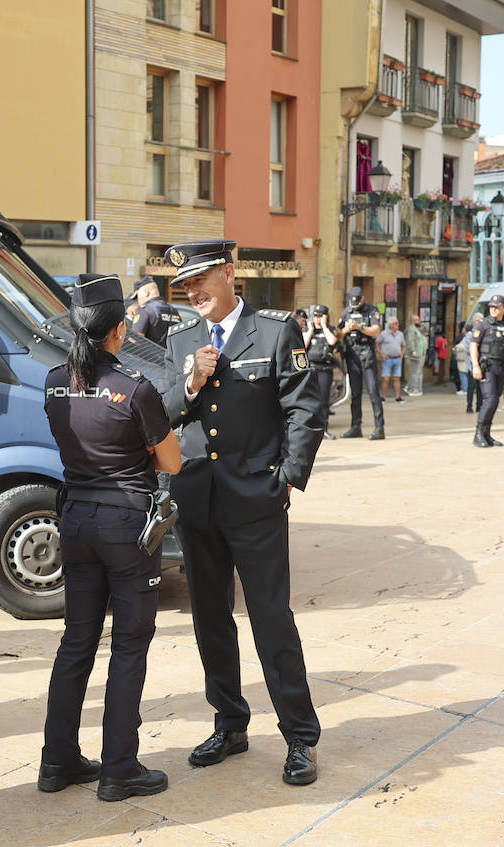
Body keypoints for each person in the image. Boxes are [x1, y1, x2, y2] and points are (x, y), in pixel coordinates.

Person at [158, 239, 326, 786]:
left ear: (229, 274)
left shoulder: (276, 331)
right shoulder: (180, 338)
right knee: (210, 618)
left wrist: (286, 479)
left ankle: (300, 736)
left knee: (271, 619)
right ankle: (230, 722)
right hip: (198, 500)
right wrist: (190, 382)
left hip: (255, 500)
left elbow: (305, 408)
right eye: (185, 285)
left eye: (202, 279)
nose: (193, 292)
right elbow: (161, 412)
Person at [40, 274, 182, 801]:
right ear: (120, 329)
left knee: (76, 642)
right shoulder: (134, 388)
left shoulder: (55, 380)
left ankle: (57, 762)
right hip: (125, 528)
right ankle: (119, 768)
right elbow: (172, 460)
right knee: (128, 645)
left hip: (74, 519)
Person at [338, 287, 384, 439]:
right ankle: (355, 426)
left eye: (357, 303)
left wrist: (360, 327)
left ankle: (379, 428)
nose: (355, 306)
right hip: (352, 355)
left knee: (373, 391)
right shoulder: (346, 312)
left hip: (366, 354)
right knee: (355, 393)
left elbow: (377, 331)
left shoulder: (372, 310)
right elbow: (338, 334)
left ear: (363, 298)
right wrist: (345, 329)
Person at [469, 294, 504, 447]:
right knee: (490, 399)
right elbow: (473, 345)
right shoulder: (483, 324)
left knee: (495, 401)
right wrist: (475, 366)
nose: (493, 309)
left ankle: (487, 434)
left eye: (497, 307)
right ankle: (478, 434)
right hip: (486, 367)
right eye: (491, 307)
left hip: (501, 367)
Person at [305, 305, 338, 439]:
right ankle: (309, 429)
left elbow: (332, 341)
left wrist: (324, 326)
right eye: (316, 316)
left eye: (320, 316)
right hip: (311, 368)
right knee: (309, 400)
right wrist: (311, 329)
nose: (318, 318)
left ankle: (324, 429)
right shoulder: (308, 330)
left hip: (324, 369)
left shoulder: (329, 330)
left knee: (323, 400)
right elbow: (303, 344)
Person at [128, 276, 180, 347]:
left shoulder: (145, 311)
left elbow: (135, 341)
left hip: (149, 357)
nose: (137, 300)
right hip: (170, 357)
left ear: (146, 292)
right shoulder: (174, 311)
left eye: (137, 296)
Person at [378, 316, 405, 402]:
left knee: (397, 378)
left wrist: (402, 354)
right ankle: (383, 397)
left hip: (397, 359)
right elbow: (377, 344)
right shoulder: (383, 334)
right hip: (387, 359)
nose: (397, 325)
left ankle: (398, 396)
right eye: (395, 323)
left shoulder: (400, 334)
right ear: (390, 325)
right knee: (386, 379)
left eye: (397, 323)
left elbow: (404, 345)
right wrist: (381, 354)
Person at [403, 313, 427, 396]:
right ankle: (413, 389)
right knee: (415, 372)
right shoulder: (411, 329)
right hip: (414, 355)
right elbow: (410, 341)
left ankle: (415, 388)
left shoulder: (416, 329)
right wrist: (413, 351)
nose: (419, 321)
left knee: (418, 372)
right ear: (413, 321)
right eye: (417, 320)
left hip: (419, 354)